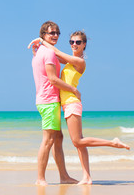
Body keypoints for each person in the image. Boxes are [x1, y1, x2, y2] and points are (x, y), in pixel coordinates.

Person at [28, 30, 130, 185]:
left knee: (77, 141)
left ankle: (113, 143)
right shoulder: (70, 61)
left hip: (71, 102)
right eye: (71, 42)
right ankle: (87, 177)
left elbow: (55, 51)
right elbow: (52, 56)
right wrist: (39, 48)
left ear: (84, 45)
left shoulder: (80, 62)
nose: (74, 45)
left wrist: (41, 40)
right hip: (65, 103)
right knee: (80, 142)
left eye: (78, 42)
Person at [29, 21, 79, 186]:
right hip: (49, 101)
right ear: (44, 34)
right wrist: (73, 89)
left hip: (47, 100)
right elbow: (53, 79)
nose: (55, 35)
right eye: (51, 33)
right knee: (48, 140)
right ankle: (40, 178)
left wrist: (41, 43)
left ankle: (64, 176)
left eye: (57, 32)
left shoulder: (41, 52)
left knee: (58, 138)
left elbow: (64, 60)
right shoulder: (48, 53)